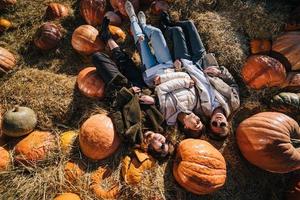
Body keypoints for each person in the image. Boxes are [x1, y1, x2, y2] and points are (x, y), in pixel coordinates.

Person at [92, 17, 173, 157]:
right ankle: (106, 37)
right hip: (140, 86)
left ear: (151, 150)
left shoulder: (130, 135)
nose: (163, 141)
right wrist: (153, 99)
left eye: (162, 147)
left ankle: (111, 62)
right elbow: (161, 98)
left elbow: (115, 110)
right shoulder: (161, 122)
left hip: (121, 90)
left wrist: (127, 93)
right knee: (124, 61)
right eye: (166, 142)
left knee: (98, 56)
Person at [124, 1, 204, 137]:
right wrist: (173, 80)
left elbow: (160, 91)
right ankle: (143, 25)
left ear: (186, 127)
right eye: (200, 121)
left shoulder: (168, 118)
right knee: (156, 33)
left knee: (141, 41)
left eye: (196, 124)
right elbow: (185, 78)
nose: (198, 119)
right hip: (168, 66)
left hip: (151, 73)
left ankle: (132, 19)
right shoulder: (193, 101)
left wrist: (175, 84)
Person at [160, 12, 240, 139]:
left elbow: (187, 89)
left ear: (209, 123)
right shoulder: (234, 103)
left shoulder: (200, 110)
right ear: (228, 123)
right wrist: (220, 72)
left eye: (214, 124)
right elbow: (232, 83)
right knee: (189, 24)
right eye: (222, 124)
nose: (218, 121)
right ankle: (169, 23)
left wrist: (178, 70)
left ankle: (166, 28)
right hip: (204, 63)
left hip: (189, 67)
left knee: (177, 31)